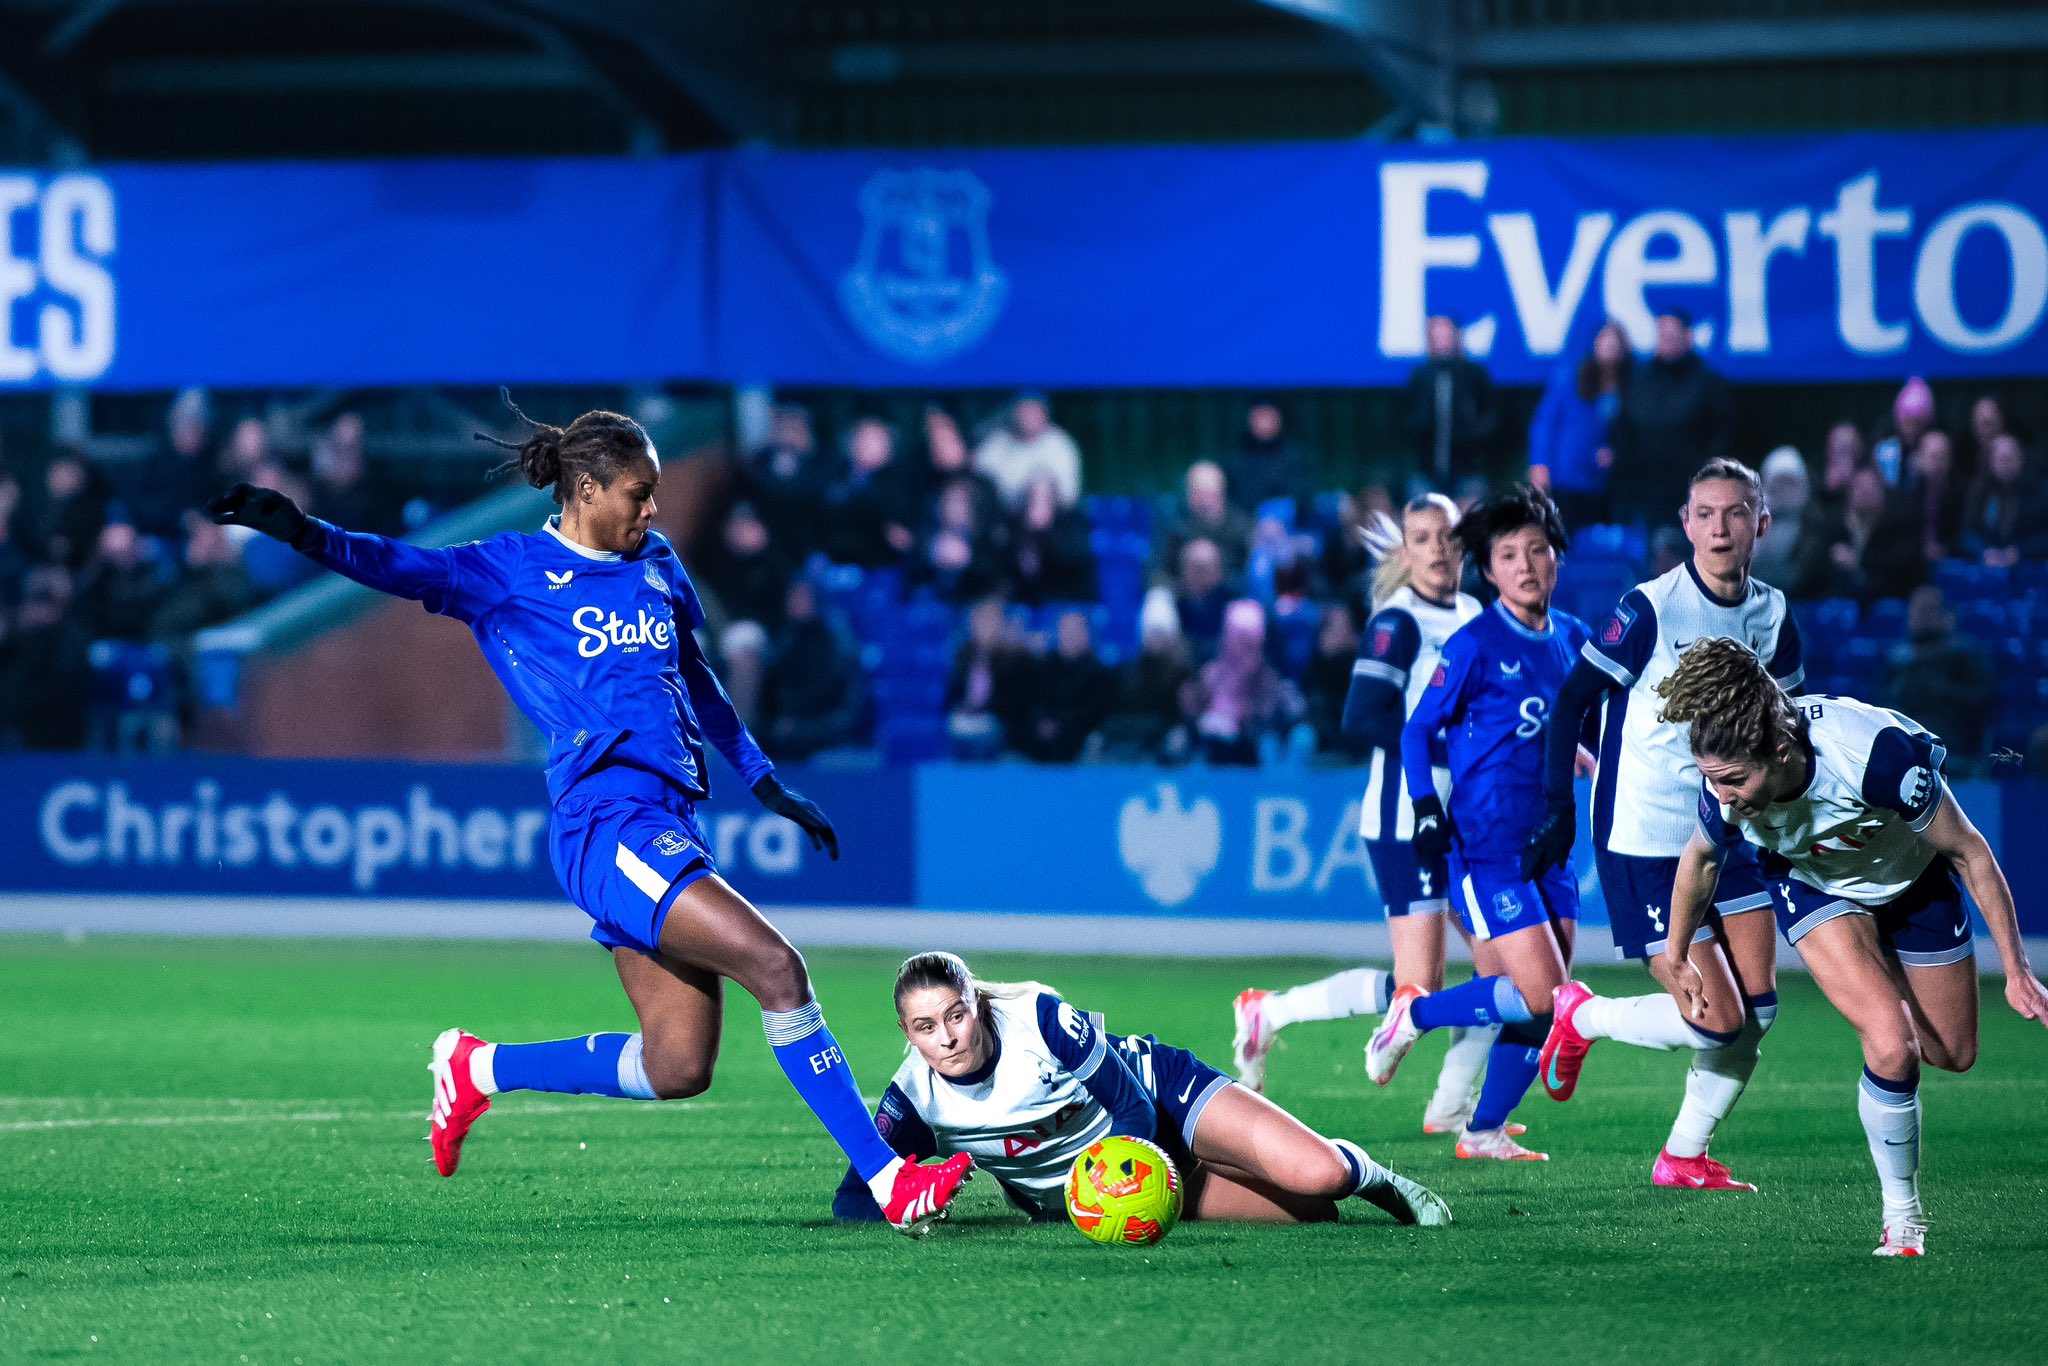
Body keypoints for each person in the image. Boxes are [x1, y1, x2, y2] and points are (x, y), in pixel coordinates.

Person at [204, 396, 974, 1236]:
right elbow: (399, 564)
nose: (653, 508)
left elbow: (697, 680)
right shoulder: (509, 572)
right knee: (778, 969)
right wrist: (304, 531)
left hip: (669, 819)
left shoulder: (658, 563)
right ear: (585, 487)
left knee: (679, 1065)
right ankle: (890, 1181)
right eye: (638, 492)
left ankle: (477, 1067)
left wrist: (762, 779)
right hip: (608, 825)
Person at [1652, 640, 2048, 1255]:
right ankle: (1903, 1219)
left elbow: (1969, 850)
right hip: (1814, 887)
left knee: (1954, 1052)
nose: (1724, 797)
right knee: (1893, 1046)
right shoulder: (1725, 783)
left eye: (1733, 782)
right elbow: (1700, 860)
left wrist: (2018, 971)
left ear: (1780, 752)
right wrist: (1676, 954)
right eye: (1714, 783)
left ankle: (1883, 1004)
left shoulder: (1873, 755)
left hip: (1914, 885)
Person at [1520, 459, 1803, 1192]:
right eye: (1704, 513)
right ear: (1685, 525)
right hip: (1644, 837)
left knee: (1759, 1012)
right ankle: (1584, 1018)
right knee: (1718, 1021)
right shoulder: (1648, 608)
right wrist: (1557, 805)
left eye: (1735, 513)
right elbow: (1572, 699)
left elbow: (1792, 728)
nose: (1719, 526)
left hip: (1731, 834)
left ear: (1760, 525)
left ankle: (1681, 1156)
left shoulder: (1773, 616)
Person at [1233, 494, 1509, 1139]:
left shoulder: (1473, 612)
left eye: (1446, 536)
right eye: (1421, 538)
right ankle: (1268, 1013)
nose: (1437, 550)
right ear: (1406, 552)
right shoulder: (1398, 622)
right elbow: (1360, 715)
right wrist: (1451, 743)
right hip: (1405, 818)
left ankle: (1449, 1106)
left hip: (1467, 820)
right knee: (1421, 987)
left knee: (1501, 972)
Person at [831, 952, 1451, 1228]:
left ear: (978, 1004)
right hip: (1114, 1188)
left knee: (1323, 1178)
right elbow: (856, 1196)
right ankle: (1248, 1166)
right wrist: (913, 1209)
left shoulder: (1038, 1019)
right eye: (925, 1027)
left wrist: (1119, 1177)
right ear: (907, 1034)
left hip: (1159, 1104)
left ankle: (1375, 1173)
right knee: (1313, 1215)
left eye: (956, 1014)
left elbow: (1129, 1104)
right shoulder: (913, 1097)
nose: (946, 1036)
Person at [1363, 486, 1593, 1161]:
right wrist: (1427, 808)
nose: (1525, 565)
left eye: (1537, 551)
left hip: (1551, 843)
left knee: (1526, 1003)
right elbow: (1413, 730)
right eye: (1508, 555)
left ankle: (1483, 1129)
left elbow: (1558, 727)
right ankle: (1417, 1013)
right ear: (1488, 571)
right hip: (1487, 846)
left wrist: (1586, 761)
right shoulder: (1473, 643)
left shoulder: (1573, 638)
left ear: (1556, 559)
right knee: (1546, 997)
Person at [1609, 309, 1732, 526]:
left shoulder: (1708, 384)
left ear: (1688, 336)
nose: (1666, 341)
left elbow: (1722, 435)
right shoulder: (1639, 380)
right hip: (1642, 491)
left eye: (1672, 335)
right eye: (1662, 335)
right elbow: (1623, 425)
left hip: (1689, 490)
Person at [1179, 599, 1311, 768]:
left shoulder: (1273, 684)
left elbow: (1295, 720)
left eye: (1250, 643)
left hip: (1258, 767)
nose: (1243, 650)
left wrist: (1245, 729)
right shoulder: (1208, 677)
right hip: (1216, 766)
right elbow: (1192, 725)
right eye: (1238, 640)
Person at [1884, 587, 1997, 774]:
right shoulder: (1898, 659)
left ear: (1947, 615)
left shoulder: (1967, 654)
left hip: (1956, 741)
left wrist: (1942, 689)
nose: (1920, 616)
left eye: (1928, 609)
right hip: (1907, 743)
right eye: (1915, 609)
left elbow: (1983, 702)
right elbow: (1883, 702)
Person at [1528, 320, 1627, 530]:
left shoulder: (1631, 383)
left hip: (1608, 482)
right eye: (1604, 341)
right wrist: (1540, 464)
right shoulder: (1569, 376)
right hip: (1567, 476)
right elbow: (1545, 422)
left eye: (1615, 343)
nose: (1610, 347)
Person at [759, 579, 867, 763]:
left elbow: (846, 714)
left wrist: (800, 729)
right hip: (782, 741)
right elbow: (769, 704)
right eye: (793, 597)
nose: (796, 602)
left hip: (828, 737)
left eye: (804, 597)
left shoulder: (838, 647)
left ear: (818, 600)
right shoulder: (779, 644)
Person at [1400, 316, 1497, 492]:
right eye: (1437, 335)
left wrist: (1473, 434)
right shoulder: (1420, 376)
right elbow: (1406, 415)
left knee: (1472, 515)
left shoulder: (1474, 374)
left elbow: (1491, 414)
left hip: (1469, 469)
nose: (1442, 340)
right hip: (1425, 469)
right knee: (1423, 515)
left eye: (1446, 334)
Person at [1020, 609, 1111, 763]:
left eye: (1075, 630)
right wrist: (1042, 721)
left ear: (1086, 634)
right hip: (1042, 734)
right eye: (1065, 630)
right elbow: (1034, 701)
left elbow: (1095, 711)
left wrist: (1061, 725)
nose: (1070, 635)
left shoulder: (1098, 671)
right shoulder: (1045, 666)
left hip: (1077, 733)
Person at [975, 393, 1082, 511]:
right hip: (1000, 517)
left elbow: (1069, 497)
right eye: (1024, 408)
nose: (1029, 415)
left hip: (1053, 519)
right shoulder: (995, 442)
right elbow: (977, 486)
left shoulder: (1060, 444)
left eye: (1034, 409)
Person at [1152, 462, 1251, 585]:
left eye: (1209, 492)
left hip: (1229, 594)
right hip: (1183, 595)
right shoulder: (1175, 525)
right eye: (1197, 492)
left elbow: (1249, 569)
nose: (1204, 500)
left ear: (1221, 493)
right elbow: (1161, 568)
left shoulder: (1240, 524)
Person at [1959, 432, 2048, 568]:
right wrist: (1983, 551)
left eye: (2010, 458)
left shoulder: (2040, 491)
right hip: (1991, 571)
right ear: (1991, 462)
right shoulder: (1981, 492)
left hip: (2031, 570)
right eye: (2000, 459)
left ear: (2021, 459)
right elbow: (1967, 533)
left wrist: (2021, 552)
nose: (2005, 464)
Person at [1009, 473, 1097, 606]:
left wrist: (1046, 533)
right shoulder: (1019, 530)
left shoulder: (1072, 523)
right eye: (1034, 498)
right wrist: (1029, 538)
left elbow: (1072, 563)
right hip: (1031, 602)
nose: (1039, 504)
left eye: (1044, 498)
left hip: (1069, 599)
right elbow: (1023, 574)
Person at [1224, 400, 1309, 519]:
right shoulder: (1237, 459)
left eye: (1269, 417)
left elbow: (1303, 498)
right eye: (1259, 417)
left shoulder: (1295, 457)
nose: (1264, 423)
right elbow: (1233, 501)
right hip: (1247, 527)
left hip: (1290, 527)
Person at [1749, 447, 1811, 589]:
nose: (1785, 490)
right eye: (1779, 483)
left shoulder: (1813, 524)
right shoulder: (1755, 521)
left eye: (1790, 483)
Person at [1872, 376, 1935, 486]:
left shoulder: (1934, 448)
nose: (1911, 429)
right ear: (1898, 421)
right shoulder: (1885, 450)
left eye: (1917, 423)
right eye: (1907, 422)